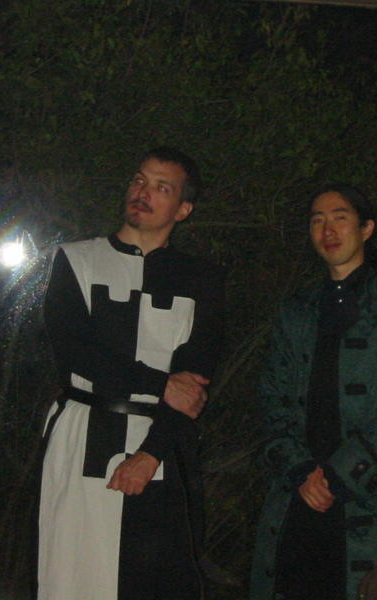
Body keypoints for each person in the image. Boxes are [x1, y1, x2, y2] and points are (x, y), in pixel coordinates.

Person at [38, 147, 224, 600]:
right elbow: (75, 351)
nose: (144, 192)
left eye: (161, 187)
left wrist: (149, 455)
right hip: (82, 436)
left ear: (183, 209)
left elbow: (193, 382)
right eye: (139, 180)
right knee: (70, 573)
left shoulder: (201, 279)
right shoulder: (75, 261)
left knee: (156, 580)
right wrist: (159, 384)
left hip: (162, 443)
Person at [250, 184, 377, 600]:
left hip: (370, 497)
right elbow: (272, 398)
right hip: (301, 493)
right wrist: (300, 472)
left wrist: (337, 477)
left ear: (366, 229)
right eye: (317, 220)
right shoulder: (296, 310)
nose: (327, 229)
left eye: (339, 217)